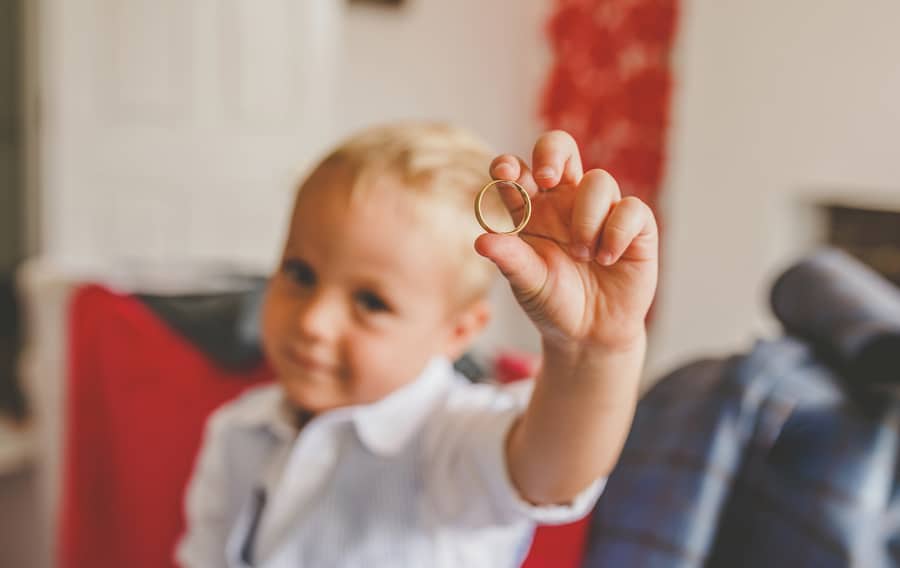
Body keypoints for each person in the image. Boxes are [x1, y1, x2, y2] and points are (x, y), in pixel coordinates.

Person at [176, 122, 659, 567]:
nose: (314, 322)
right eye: (300, 274)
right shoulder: (237, 430)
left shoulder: (451, 439)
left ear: (459, 332)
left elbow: (552, 474)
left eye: (371, 302)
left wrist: (592, 352)